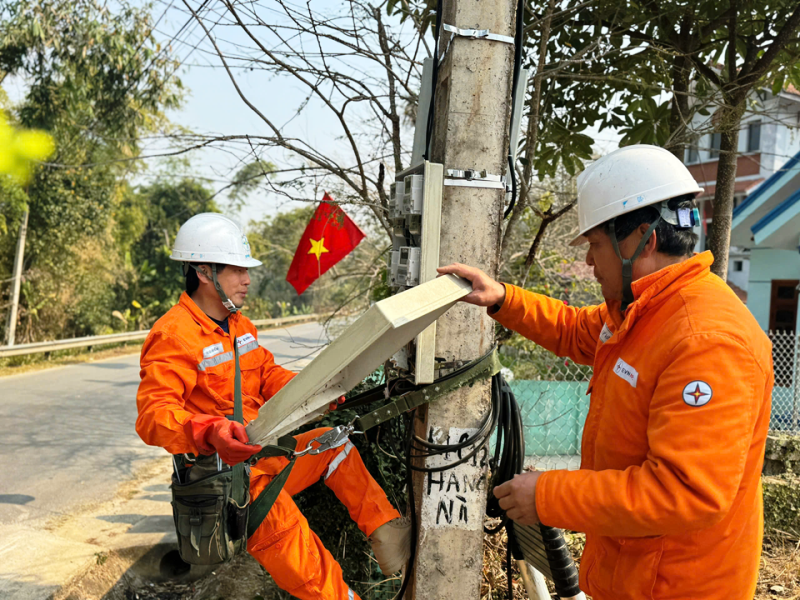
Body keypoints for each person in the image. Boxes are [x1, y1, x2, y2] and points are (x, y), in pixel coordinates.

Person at [439, 145, 773, 600]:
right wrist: (502, 298)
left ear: (643, 239)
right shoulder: (645, 311)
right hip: (632, 575)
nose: (590, 262)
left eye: (596, 245)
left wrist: (548, 494)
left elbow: (685, 494)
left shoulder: (705, 339)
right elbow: (577, 330)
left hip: (678, 587)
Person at [135, 212, 410, 600]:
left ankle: (390, 539)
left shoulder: (239, 326)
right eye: (236, 271)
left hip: (262, 459)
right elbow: (153, 417)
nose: (247, 280)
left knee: (334, 444)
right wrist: (210, 431)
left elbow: (266, 374)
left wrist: (318, 393)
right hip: (229, 488)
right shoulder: (174, 334)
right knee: (315, 575)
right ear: (203, 271)